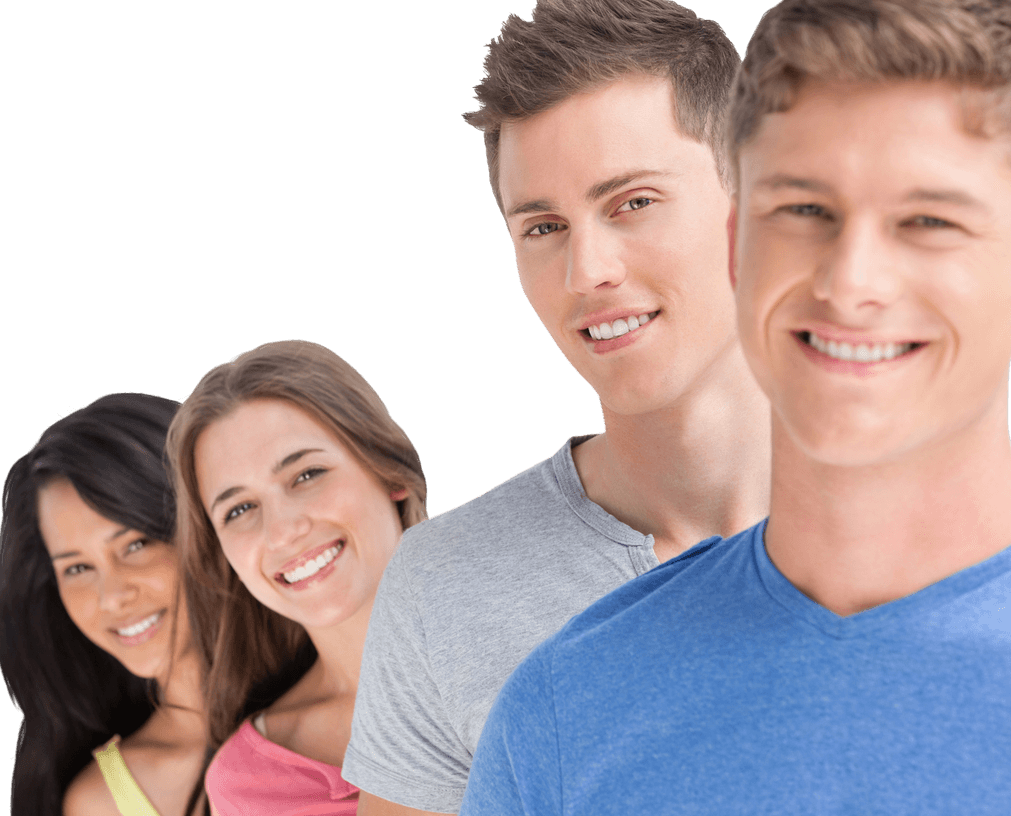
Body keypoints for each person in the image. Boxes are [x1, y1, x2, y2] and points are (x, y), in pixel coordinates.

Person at [461, 0, 1011, 812]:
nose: (850, 281)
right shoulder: (567, 708)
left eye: (928, 219)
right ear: (735, 245)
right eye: (803, 210)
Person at [343, 1, 772, 814]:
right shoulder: (445, 585)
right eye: (543, 227)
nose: (586, 271)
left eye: (633, 202)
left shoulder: (967, 523)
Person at [165, 339, 427, 816]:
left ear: (390, 473)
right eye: (239, 509)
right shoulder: (246, 787)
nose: (283, 531)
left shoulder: (537, 645)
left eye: (306, 475)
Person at [0, 393, 208, 816]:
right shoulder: (101, 801)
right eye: (76, 568)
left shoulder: (340, 711)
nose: (112, 596)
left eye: (136, 544)